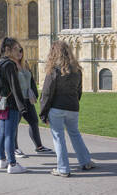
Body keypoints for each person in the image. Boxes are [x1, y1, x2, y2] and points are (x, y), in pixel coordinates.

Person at [39, 40, 97, 177]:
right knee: (75, 134)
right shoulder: (77, 69)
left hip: (57, 108)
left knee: (59, 138)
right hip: (72, 108)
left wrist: (43, 113)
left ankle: (63, 168)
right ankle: (86, 161)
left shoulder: (54, 71)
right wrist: (74, 103)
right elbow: (79, 91)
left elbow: (47, 93)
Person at [0, 37, 29, 174]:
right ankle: (12, 163)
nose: (19, 51)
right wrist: (22, 106)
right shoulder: (9, 65)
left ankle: (2, 159)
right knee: (9, 135)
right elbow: (15, 86)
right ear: (8, 50)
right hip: (10, 104)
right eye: (17, 49)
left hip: (0, 102)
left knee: (2, 132)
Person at [14, 47, 54, 158]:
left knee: (34, 122)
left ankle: (39, 147)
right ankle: (15, 148)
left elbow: (31, 80)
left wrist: (34, 93)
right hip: (17, 100)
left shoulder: (25, 64)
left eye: (21, 51)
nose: (19, 53)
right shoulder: (11, 66)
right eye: (17, 51)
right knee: (14, 124)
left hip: (28, 99)